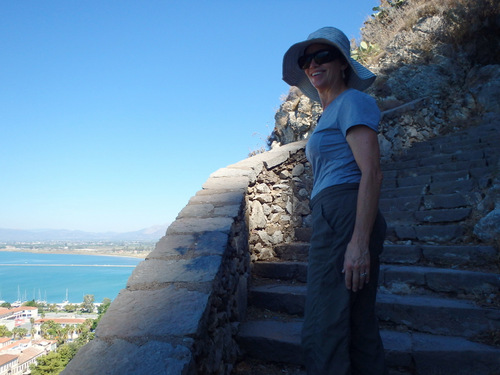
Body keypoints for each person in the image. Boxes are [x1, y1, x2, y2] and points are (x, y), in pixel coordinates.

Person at [282, 27, 387, 374]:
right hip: (336, 212)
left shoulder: (352, 102)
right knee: (356, 320)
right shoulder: (328, 114)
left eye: (322, 55)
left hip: (343, 212)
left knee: (324, 318)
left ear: (343, 63)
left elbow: (371, 172)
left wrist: (358, 242)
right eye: (306, 59)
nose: (312, 64)